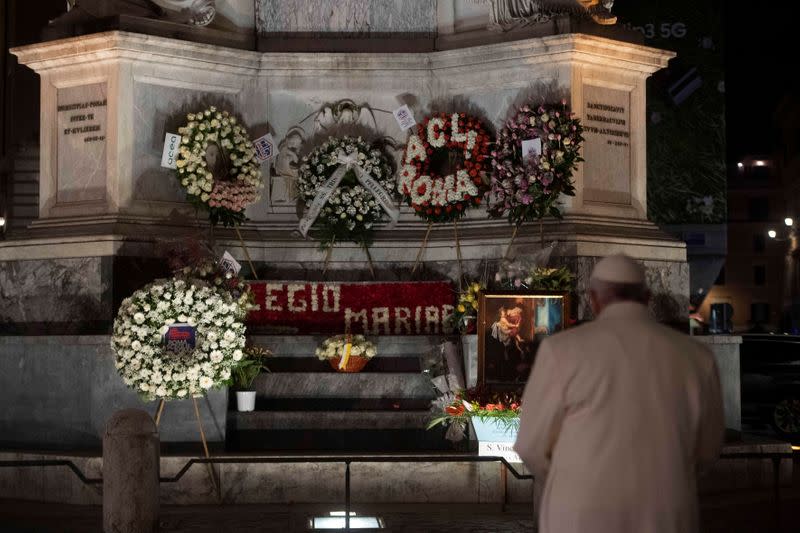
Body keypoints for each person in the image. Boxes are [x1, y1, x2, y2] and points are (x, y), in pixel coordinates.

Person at [514, 254, 724, 533]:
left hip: (581, 512)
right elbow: (708, 448)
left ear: (593, 298)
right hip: (664, 509)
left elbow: (530, 444)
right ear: (647, 296)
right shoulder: (697, 357)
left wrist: (571, 479)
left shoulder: (561, 350)